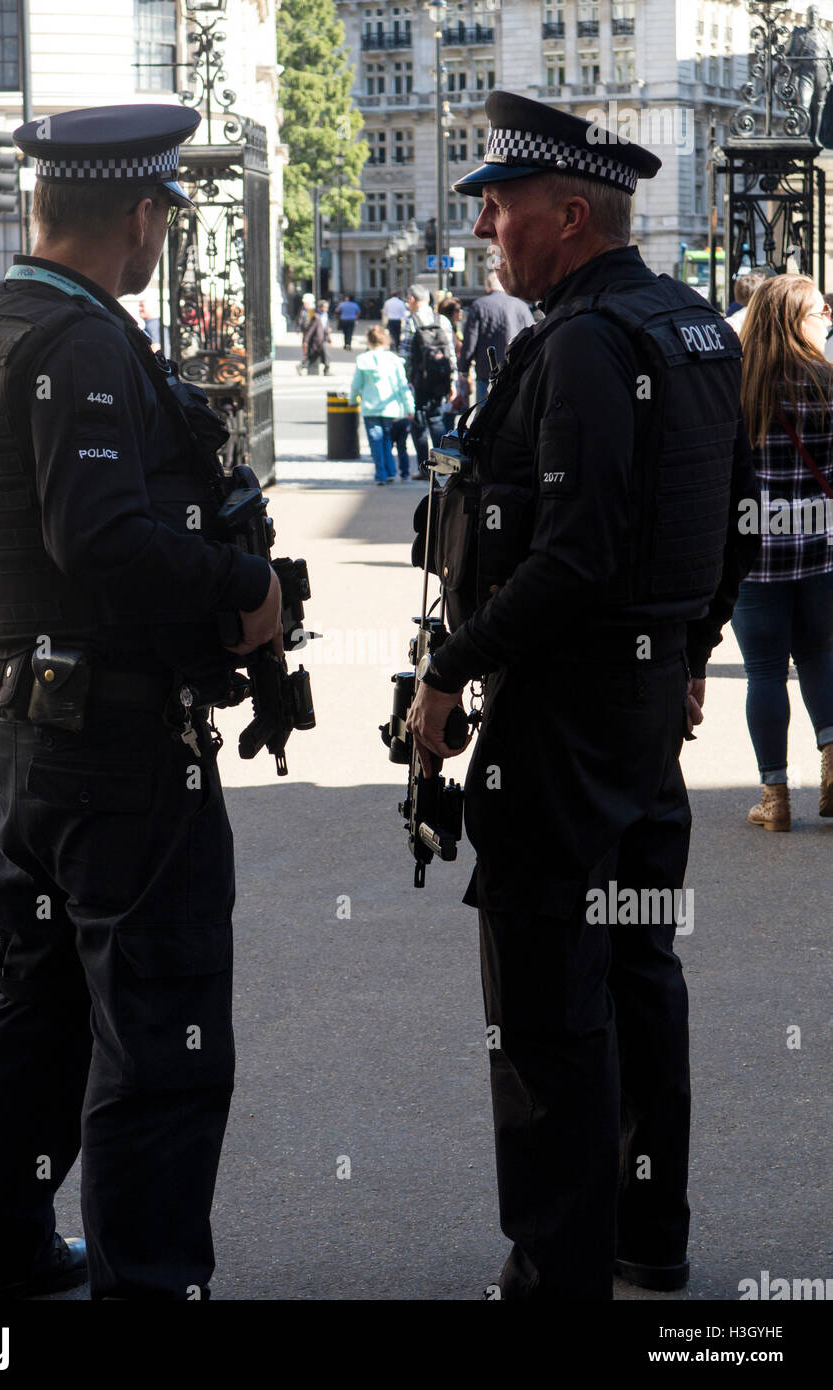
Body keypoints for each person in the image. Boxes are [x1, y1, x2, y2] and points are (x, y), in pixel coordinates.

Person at [0, 103, 282, 1301]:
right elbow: (105, 542)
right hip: (123, 744)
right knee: (161, 1030)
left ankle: (7, 1252)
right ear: (137, 214)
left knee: (39, 1006)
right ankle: (153, 1283)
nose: (163, 239)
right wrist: (243, 588)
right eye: (162, 217)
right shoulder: (78, 344)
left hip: (28, 732)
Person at [406, 90, 760, 1300]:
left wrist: (451, 670)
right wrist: (690, 652)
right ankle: (647, 1235)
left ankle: (557, 1264)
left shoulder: (588, 344)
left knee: (552, 998)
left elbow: (575, 552)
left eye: (502, 210)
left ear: (570, 215)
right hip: (642, 712)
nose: (490, 231)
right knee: (638, 966)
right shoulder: (699, 328)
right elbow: (734, 526)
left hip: (562, 721)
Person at [732, 274, 833, 829]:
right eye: (820, 311)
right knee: (819, 656)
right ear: (797, 318)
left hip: (755, 555)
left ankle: (776, 798)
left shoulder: (738, 384)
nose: (826, 319)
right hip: (820, 550)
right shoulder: (828, 382)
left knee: (764, 672)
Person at [399, 284, 458, 473]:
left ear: (412, 300)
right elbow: (450, 354)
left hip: (418, 379)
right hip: (440, 379)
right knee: (437, 419)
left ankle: (424, 468)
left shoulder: (410, 321)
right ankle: (442, 467)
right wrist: (453, 381)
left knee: (418, 422)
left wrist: (405, 380)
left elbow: (405, 355)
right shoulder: (442, 320)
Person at [349, 324, 415, 484]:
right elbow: (402, 385)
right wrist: (409, 407)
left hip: (370, 406)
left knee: (375, 440)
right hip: (390, 407)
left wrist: (352, 400)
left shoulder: (363, 360)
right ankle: (391, 471)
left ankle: (381, 473)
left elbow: (356, 384)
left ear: (368, 340)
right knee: (386, 439)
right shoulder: (394, 359)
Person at [460, 270, 534, 404]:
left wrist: (463, 369)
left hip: (487, 371)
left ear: (487, 286)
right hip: (516, 371)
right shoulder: (521, 306)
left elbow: (470, 341)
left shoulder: (479, 306)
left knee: (486, 415)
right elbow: (532, 337)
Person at [303, 299, 332, 375]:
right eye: (325, 307)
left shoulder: (325, 316)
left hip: (324, 339)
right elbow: (311, 329)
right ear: (320, 307)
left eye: (327, 307)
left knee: (325, 355)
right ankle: (301, 366)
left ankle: (326, 370)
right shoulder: (316, 316)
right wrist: (306, 341)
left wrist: (329, 339)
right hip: (317, 340)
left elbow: (326, 328)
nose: (327, 309)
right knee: (314, 356)